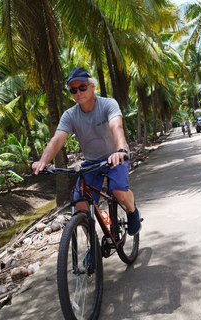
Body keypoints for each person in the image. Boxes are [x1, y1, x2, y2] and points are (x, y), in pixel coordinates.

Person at [31, 66, 141, 236]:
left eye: (82, 87)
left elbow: (117, 127)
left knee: (118, 191)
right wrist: (43, 162)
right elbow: (57, 140)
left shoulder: (108, 104)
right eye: (73, 90)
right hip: (92, 162)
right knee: (81, 206)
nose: (78, 92)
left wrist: (120, 150)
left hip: (116, 157)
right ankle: (92, 248)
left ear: (92, 86)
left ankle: (132, 211)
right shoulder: (70, 115)